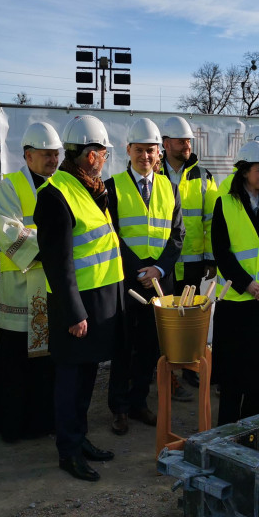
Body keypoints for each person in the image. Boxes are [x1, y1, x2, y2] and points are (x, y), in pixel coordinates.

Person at [36, 115, 121, 482]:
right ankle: (68, 451)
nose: (105, 158)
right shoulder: (57, 195)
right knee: (70, 382)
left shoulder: (89, 188)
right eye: (102, 151)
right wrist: (74, 313)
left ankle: (79, 438)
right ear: (89, 155)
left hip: (98, 300)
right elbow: (59, 263)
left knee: (86, 377)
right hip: (77, 307)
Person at [106, 118, 183, 435]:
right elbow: (112, 234)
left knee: (151, 347)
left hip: (160, 282)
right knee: (124, 346)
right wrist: (138, 269)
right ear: (128, 150)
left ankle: (139, 402)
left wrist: (159, 269)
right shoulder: (113, 187)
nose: (146, 157)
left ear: (159, 152)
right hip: (127, 280)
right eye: (139, 150)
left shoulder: (169, 187)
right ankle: (119, 408)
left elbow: (177, 235)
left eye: (151, 151)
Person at [0, 121, 60, 442]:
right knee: (15, 363)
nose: (53, 160)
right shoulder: (10, 187)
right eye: (46, 155)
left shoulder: (62, 186)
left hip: (52, 289)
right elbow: (7, 228)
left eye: (56, 154)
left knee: (46, 364)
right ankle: (12, 425)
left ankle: (43, 422)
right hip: (20, 292)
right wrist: (52, 247)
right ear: (28, 156)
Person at [211, 141, 259, 423]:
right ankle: (227, 437)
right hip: (236, 304)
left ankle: (254, 433)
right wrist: (246, 283)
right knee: (233, 381)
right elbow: (221, 252)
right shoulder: (226, 204)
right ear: (244, 171)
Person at [158, 116, 216, 396]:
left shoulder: (204, 177)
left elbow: (210, 221)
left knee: (190, 321)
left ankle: (188, 370)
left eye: (189, 141)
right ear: (166, 144)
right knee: (165, 323)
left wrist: (211, 258)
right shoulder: (153, 175)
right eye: (181, 141)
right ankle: (166, 376)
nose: (186, 145)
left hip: (193, 262)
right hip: (162, 264)